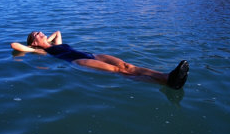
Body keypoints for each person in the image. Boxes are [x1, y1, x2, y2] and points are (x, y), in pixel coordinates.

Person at [11, 31, 189, 90]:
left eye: (40, 32)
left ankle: (167, 76)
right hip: (78, 61)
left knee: (127, 65)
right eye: (37, 34)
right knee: (121, 72)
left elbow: (58, 32)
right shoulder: (41, 52)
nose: (41, 33)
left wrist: (45, 39)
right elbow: (15, 45)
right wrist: (37, 45)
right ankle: (166, 83)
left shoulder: (54, 43)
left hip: (91, 55)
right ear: (33, 42)